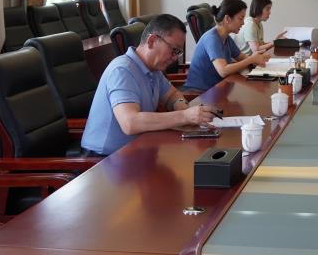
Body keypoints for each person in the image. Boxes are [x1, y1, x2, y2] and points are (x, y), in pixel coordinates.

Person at [81, 14, 217, 156]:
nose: (175, 57)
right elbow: (130, 123)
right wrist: (184, 116)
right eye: (174, 50)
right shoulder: (122, 70)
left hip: (136, 149)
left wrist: (181, 106)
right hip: (104, 159)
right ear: (152, 41)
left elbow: (172, 95)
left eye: (178, 52)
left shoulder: (153, 69)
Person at [185, 0, 272, 91]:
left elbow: (241, 57)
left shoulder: (226, 37)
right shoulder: (212, 38)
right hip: (201, 92)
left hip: (218, 86)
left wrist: (258, 59)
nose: (243, 23)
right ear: (227, 19)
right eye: (241, 18)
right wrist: (251, 59)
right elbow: (223, 71)